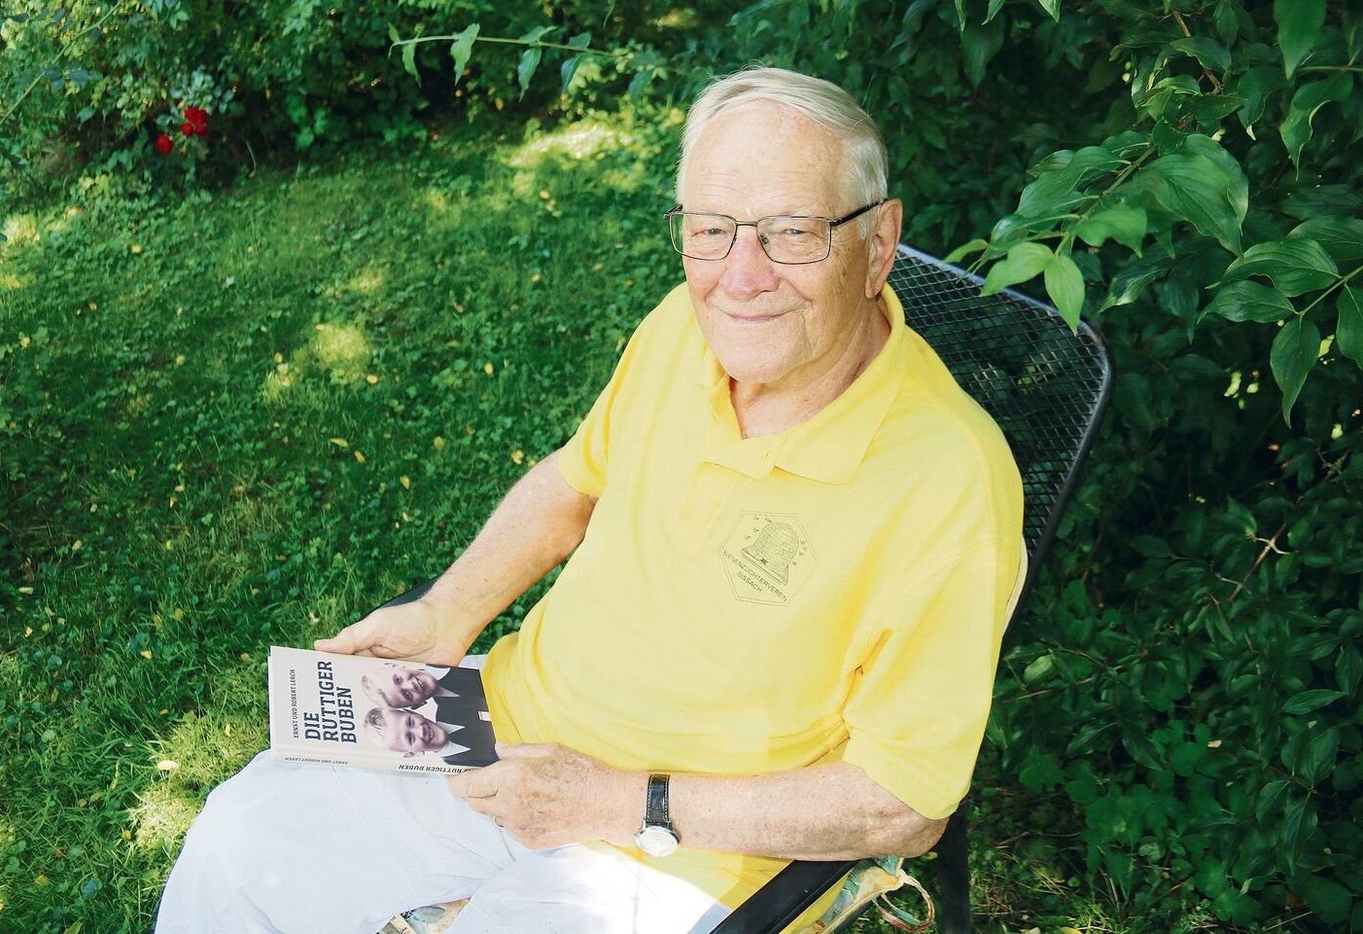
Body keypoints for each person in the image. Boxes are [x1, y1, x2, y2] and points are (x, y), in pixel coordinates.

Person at [155, 65, 1024, 933]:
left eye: (792, 232)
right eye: (711, 230)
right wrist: (445, 615)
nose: (741, 278)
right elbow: (574, 483)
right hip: (504, 727)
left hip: (689, 847)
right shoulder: (683, 327)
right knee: (238, 849)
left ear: (878, 243)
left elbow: (903, 807)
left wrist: (624, 801)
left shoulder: (950, 481)